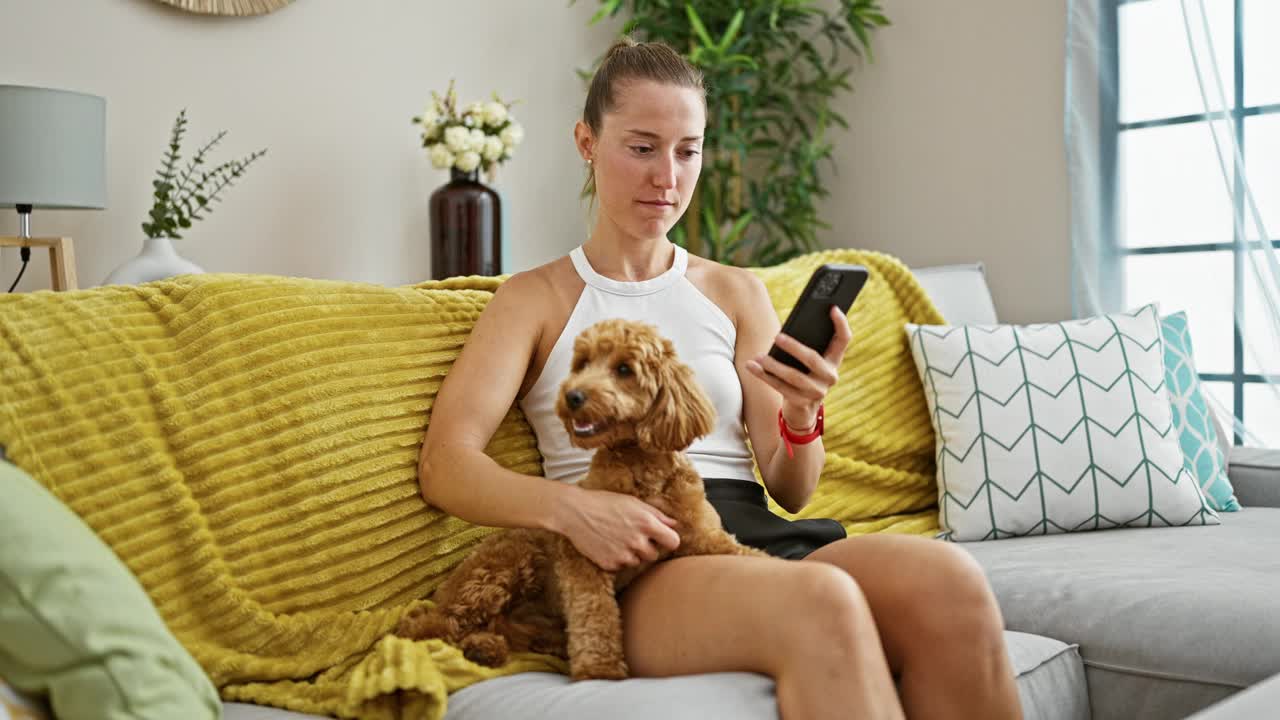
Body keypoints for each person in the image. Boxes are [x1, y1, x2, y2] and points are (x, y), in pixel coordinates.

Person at [418, 37, 1023, 720]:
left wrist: (801, 415)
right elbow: (446, 464)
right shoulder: (534, 298)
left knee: (954, 583)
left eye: (687, 151)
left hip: (745, 533)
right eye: (642, 148)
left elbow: (792, 488)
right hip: (642, 563)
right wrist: (574, 511)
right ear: (587, 142)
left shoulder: (736, 292)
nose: (666, 178)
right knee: (822, 602)